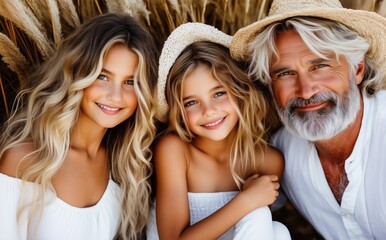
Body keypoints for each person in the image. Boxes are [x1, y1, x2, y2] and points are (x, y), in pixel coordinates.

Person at [230, 0, 386, 239]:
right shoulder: (282, 152)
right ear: (270, 86)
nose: (305, 91)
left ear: (357, 70)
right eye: (285, 73)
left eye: (320, 66)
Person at [0, 13, 158, 239]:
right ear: (76, 73)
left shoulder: (124, 166)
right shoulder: (25, 159)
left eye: (130, 82)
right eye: (103, 77)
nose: (115, 96)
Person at [146, 22, 291, 240]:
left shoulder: (267, 161)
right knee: (259, 213)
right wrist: (246, 200)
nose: (209, 111)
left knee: (278, 231)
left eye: (218, 94)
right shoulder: (175, 150)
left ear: (240, 92)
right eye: (191, 102)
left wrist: (251, 203)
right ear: (179, 111)